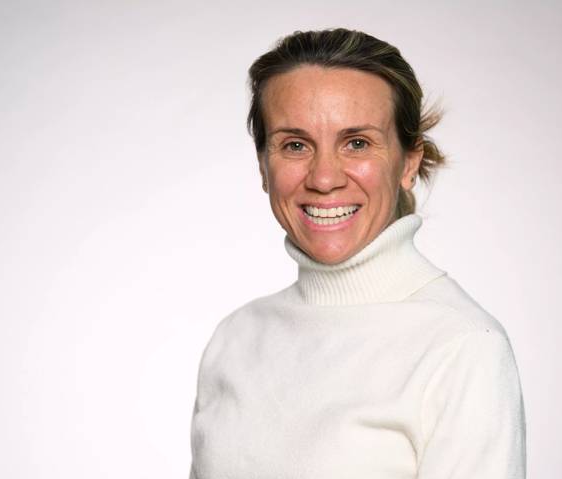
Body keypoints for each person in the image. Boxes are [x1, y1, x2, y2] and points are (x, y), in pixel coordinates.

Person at [188, 28, 526, 479]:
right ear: (264, 166)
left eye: (357, 143)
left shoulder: (461, 346)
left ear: (408, 162)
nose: (324, 178)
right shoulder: (234, 339)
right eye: (295, 145)